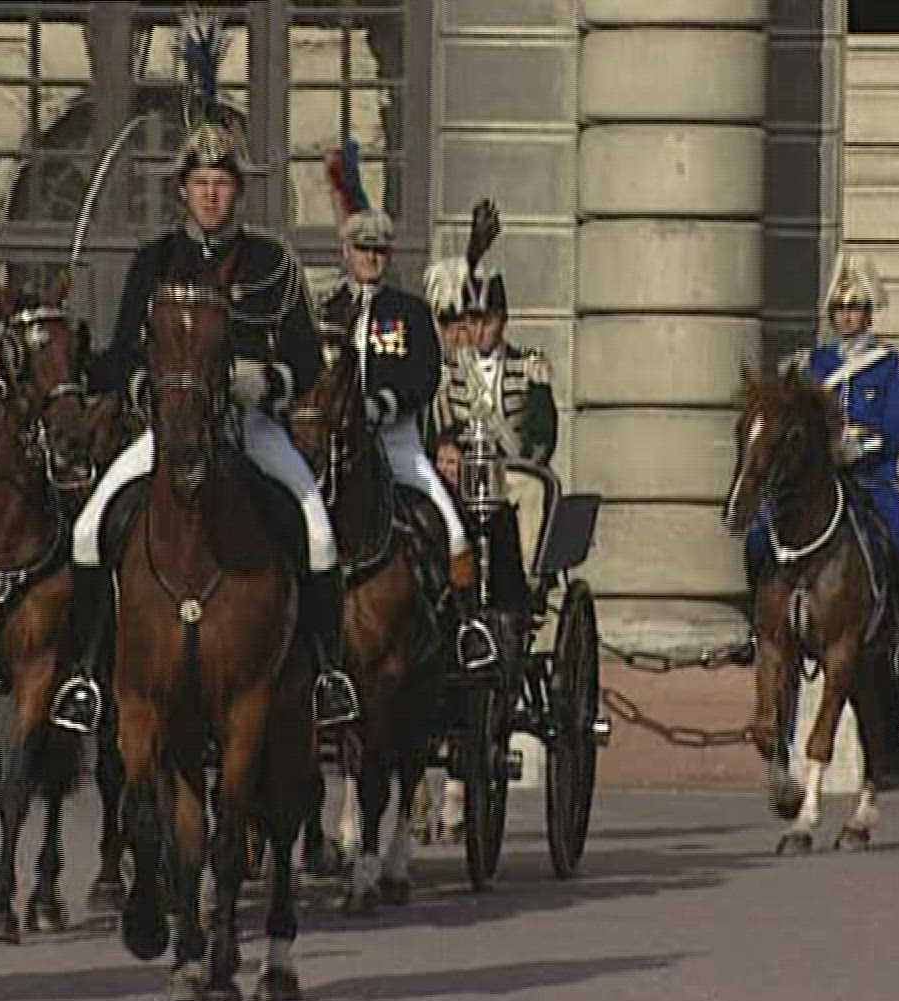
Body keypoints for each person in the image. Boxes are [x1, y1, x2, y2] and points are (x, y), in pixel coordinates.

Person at [48, 13, 358, 734]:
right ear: (182, 190)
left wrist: (265, 384)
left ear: (236, 191)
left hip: (249, 425)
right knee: (90, 529)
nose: (212, 194)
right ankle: (86, 675)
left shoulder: (271, 262)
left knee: (317, 531)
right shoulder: (154, 262)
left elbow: (305, 359)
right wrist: (142, 389)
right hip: (170, 428)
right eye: (201, 182)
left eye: (222, 182)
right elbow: (123, 354)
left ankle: (325, 676)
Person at [318, 141, 493, 670]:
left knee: (452, 527)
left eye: (379, 251)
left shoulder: (409, 311)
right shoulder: (327, 310)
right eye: (362, 249)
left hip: (396, 442)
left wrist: (387, 403)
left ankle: (466, 625)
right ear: (345, 252)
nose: (370, 258)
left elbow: (424, 373)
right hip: (333, 446)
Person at [738, 254, 899, 670]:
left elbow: (898, 427)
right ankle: (759, 625)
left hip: (871, 480)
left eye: (854, 307)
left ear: (869, 312)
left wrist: (861, 448)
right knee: (757, 534)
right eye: (839, 308)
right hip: (819, 480)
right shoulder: (811, 365)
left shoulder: (891, 366)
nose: (846, 316)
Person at [425, 199, 559, 600]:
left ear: (504, 320)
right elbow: (441, 428)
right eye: (473, 320)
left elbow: (543, 433)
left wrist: (527, 460)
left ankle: (527, 584)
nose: (479, 330)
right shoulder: (451, 371)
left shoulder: (528, 366)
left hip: (510, 471)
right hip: (462, 474)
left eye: (488, 320)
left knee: (531, 490)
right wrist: (447, 450)